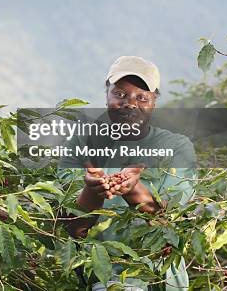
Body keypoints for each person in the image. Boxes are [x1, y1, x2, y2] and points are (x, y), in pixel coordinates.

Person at [59, 56, 197, 291]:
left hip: (158, 282)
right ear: (107, 94)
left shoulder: (176, 147)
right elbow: (74, 228)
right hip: (99, 281)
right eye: (120, 94)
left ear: (154, 101)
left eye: (142, 97)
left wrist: (133, 190)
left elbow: (170, 226)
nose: (130, 103)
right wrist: (93, 189)